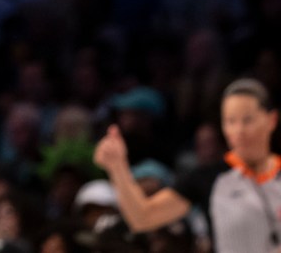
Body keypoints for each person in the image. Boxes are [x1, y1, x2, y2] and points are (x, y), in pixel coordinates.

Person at [93, 77, 281, 253]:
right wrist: (118, 168)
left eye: (247, 120)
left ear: (271, 120)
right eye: (230, 121)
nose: (238, 130)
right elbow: (143, 217)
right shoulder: (207, 178)